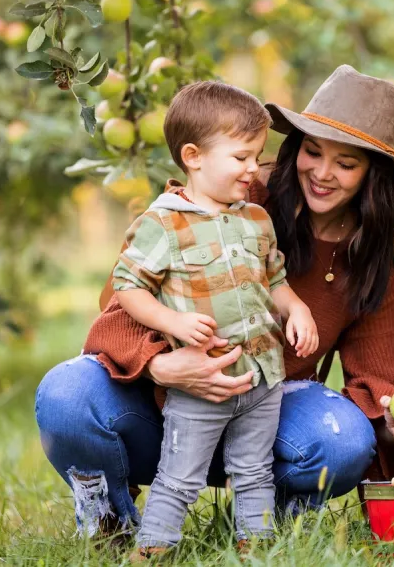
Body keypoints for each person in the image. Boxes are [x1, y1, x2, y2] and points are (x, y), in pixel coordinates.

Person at [35, 65, 394, 541]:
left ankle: (267, 525)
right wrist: (162, 366)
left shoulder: (373, 263)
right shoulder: (233, 197)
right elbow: (121, 302)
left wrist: (389, 420)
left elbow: (375, 377)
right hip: (172, 405)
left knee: (344, 441)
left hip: (266, 411)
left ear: (372, 177)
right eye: (312, 151)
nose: (323, 172)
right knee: (66, 394)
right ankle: (110, 522)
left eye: (347, 163)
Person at [111, 82, 319, 555]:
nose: (253, 168)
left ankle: (257, 546)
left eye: (257, 155)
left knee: (255, 470)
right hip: (203, 382)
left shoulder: (256, 220)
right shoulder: (163, 223)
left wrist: (298, 309)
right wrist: (172, 322)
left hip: (262, 377)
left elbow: (276, 282)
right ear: (193, 156)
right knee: (180, 475)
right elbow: (128, 287)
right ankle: (156, 547)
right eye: (242, 156)